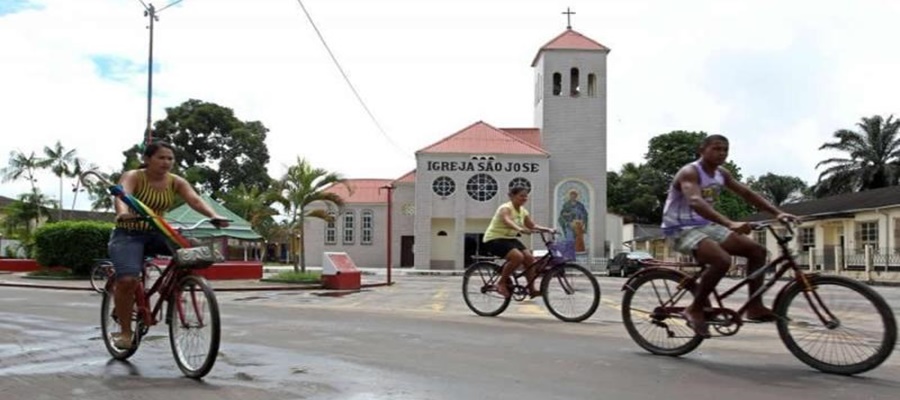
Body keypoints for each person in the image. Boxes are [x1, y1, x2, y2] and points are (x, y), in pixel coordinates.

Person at [661, 134, 797, 338]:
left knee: (757, 251)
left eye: (725, 150)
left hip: (705, 226)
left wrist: (777, 213)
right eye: (716, 149)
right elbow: (696, 201)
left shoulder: (721, 174)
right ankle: (695, 308)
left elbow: (747, 194)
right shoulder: (690, 172)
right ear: (702, 150)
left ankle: (755, 307)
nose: (722, 153)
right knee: (722, 260)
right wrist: (730, 223)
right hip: (680, 228)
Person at [107, 141, 229, 349]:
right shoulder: (134, 176)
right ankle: (125, 332)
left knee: (193, 252)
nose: (166, 162)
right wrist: (122, 213)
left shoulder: (176, 182)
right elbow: (122, 195)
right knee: (127, 279)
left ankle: (178, 285)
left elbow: (195, 200)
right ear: (147, 159)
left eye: (170, 158)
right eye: (161, 157)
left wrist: (213, 215)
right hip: (128, 234)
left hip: (159, 232)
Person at [482, 187, 555, 298]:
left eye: (526, 196)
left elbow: (532, 226)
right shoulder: (505, 208)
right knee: (517, 257)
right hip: (494, 239)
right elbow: (508, 220)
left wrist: (548, 229)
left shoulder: (523, 211)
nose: (524, 198)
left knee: (530, 259)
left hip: (510, 239)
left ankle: (532, 290)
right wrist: (519, 229)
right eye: (521, 195)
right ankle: (501, 283)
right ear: (512, 196)